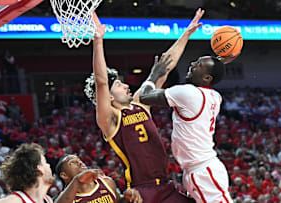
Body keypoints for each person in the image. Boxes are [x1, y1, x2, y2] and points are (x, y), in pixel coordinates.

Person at [84, 9, 206, 203]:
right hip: (142, 191)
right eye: (118, 85)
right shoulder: (110, 119)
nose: (125, 85)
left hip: (166, 185)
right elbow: (101, 81)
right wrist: (98, 41)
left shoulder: (141, 103)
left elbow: (163, 69)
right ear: (108, 98)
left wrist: (186, 34)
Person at [138, 26, 237, 203]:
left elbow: (144, 97)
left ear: (207, 78)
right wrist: (219, 62)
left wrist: (154, 74)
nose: (192, 65)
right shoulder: (215, 96)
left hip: (202, 171)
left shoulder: (189, 93)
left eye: (199, 65)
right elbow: (214, 73)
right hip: (199, 169)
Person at [54, 154, 142, 203]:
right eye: (72, 162)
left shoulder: (107, 182)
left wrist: (127, 197)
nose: (80, 162)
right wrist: (77, 180)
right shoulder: (65, 198)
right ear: (64, 175)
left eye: (79, 160)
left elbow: (118, 201)